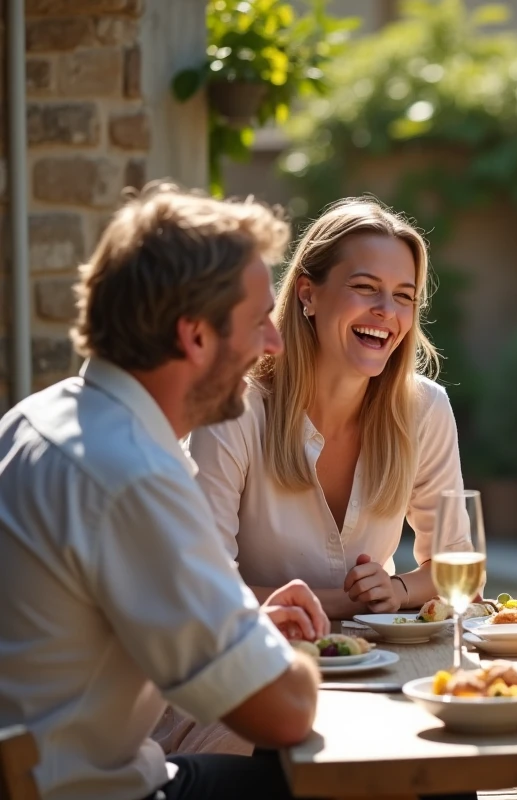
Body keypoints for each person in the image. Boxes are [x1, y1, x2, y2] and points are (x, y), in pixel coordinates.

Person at [0, 183, 328, 800]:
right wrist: (301, 658)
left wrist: (242, 624)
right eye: (259, 321)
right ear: (195, 336)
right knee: (359, 783)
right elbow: (284, 712)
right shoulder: (131, 473)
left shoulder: (36, 420)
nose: (274, 344)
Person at [185, 197, 468, 620]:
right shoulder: (233, 410)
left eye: (403, 296)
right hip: (261, 660)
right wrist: (344, 603)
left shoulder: (424, 409)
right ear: (308, 294)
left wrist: (399, 588)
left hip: (383, 665)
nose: (386, 311)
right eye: (365, 287)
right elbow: (200, 584)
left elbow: (459, 565)